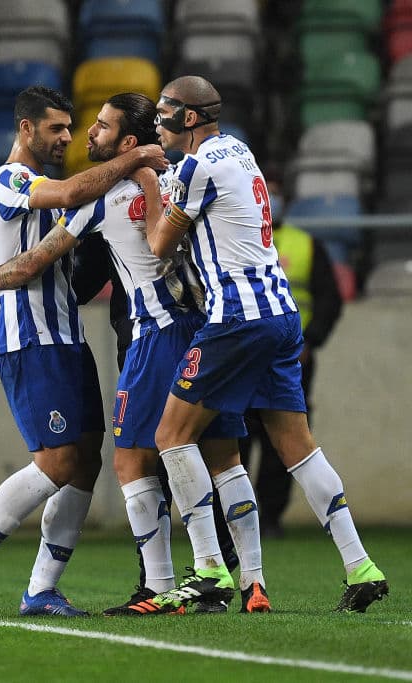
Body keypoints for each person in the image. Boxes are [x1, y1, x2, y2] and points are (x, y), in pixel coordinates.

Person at [0, 93, 268, 615]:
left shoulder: (99, 198)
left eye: (97, 127)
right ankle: (249, 580)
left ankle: (172, 582)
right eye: (69, 127)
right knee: (218, 456)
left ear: (128, 142)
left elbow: (37, 257)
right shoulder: (177, 182)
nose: (82, 136)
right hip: (204, 328)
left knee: (129, 460)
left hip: (151, 335)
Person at [142, 75, 387, 613]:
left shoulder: (194, 167)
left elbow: (158, 244)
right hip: (281, 316)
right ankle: (361, 565)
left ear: (189, 117)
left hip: (235, 321)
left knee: (170, 435)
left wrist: (145, 182)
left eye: (163, 114)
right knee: (297, 444)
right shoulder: (241, 150)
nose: (157, 124)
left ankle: (209, 568)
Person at [0, 86, 168, 619]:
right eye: (55, 128)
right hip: (28, 338)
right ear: (26, 129)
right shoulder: (10, 178)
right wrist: (135, 155)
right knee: (57, 460)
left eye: (70, 128)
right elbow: (65, 196)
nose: (67, 137)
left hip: (65, 335)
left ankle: (42, 588)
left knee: (85, 460)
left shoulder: (65, 182)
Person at [237, 176, 343, 538]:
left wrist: (310, 342)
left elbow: (329, 300)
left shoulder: (307, 245)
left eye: (276, 194)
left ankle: (270, 518)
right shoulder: (236, 238)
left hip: (293, 359)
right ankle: (236, 519)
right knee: (235, 437)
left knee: (284, 442)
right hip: (244, 358)